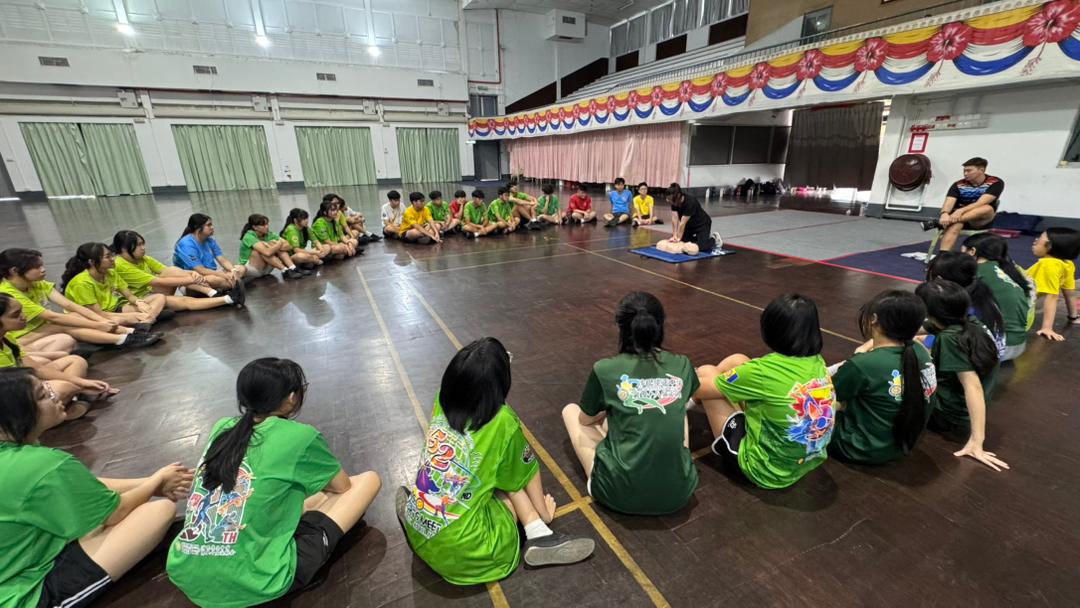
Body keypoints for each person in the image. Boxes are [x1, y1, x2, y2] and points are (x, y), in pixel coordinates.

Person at [167, 358, 380, 606]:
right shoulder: (300, 435)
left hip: (185, 570)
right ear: (292, 397)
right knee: (367, 481)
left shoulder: (222, 427)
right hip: (258, 582)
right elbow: (342, 486)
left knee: (290, 494)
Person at [398, 338, 594, 585]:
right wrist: (544, 513)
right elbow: (526, 473)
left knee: (489, 470)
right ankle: (538, 531)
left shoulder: (442, 401)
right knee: (507, 479)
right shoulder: (502, 421)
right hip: (473, 552)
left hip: (421, 530)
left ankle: (416, 514)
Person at [0, 367, 193, 608]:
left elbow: (81, 488)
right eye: (42, 395)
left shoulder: (21, 457)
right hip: (17, 594)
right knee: (158, 511)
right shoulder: (40, 465)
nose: (54, 394)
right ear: (14, 415)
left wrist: (151, 483)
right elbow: (114, 513)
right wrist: (156, 481)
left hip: (21, 560)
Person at [561, 292, 698, 514]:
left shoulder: (604, 369)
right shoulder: (682, 364)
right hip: (679, 493)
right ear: (660, 325)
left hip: (617, 494)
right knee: (677, 407)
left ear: (621, 327)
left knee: (571, 411)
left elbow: (585, 420)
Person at [693, 294, 836, 489]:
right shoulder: (818, 362)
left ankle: (686, 408)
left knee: (706, 372)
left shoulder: (762, 371)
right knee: (737, 360)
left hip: (764, 471)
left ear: (770, 329)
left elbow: (699, 388)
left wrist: (681, 375)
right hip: (805, 463)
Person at [828, 290, 937, 465]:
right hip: (903, 443)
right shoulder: (920, 352)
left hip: (860, 447)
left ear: (873, 319)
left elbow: (826, 397)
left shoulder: (863, 364)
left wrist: (857, 356)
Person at [915, 279, 1008, 471]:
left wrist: (977, 441)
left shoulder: (950, 338)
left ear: (927, 312)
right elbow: (909, 330)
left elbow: (973, 386)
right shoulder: (968, 321)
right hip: (958, 407)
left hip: (948, 415)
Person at [0, 248, 158, 349]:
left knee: (75, 316)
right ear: (14, 271)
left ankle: (130, 332)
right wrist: (98, 324)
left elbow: (70, 305)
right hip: (18, 337)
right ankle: (123, 339)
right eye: (36, 267)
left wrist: (100, 321)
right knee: (62, 325)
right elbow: (52, 316)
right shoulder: (8, 293)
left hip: (42, 328)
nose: (43, 270)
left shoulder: (37, 283)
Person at [1, 293, 116, 420]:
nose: (24, 316)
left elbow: (36, 368)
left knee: (75, 360)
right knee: (64, 387)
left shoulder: (7, 337)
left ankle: (61, 407)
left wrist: (82, 383)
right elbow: (12, 387)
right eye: (16, 315)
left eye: (22, 311)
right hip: (10, 396)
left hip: (20, 384)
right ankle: (53, 413)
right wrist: (79, 387)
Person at [112, 230, 244, 312]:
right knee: (184, 301)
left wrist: (191, 273)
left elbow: (166, 271)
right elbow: (158, 282)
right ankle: (229, 299)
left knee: (172, 270)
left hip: (154, 291)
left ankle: (213, 292)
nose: (143, 248)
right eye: (139, 245)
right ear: (124, 249)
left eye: (143, 244)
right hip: (141, 300)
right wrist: (192, 278)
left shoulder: (143, 258)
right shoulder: (121, 265)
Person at [61, 243, 168, 331]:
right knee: (118, 320)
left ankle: (147, 320)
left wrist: (139, 302)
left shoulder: (111, 273)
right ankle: (149, 317)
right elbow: (98, 314)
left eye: (112, 255)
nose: (113, 259)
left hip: (114, 309)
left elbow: (129, 296)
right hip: (94, 317)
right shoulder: (82, 283)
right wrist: (134, 315)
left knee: (159, 297)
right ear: (92, 262)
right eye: (108, 257)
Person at [961, 233, 1034, 360]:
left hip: (998, 348)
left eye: (962, 252)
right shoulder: (1008, 270)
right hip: (1018, 344)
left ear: (972, 251)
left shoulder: (978, 272)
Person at [927, 252, 1006, 359]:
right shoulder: (979, 291)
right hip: (992, 355)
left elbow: (932, 348)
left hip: (978, 361)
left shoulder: (959, 308)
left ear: (940, 279)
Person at [923, 157, 1004, 254]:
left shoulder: (995, 182)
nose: (965, 173)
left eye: (969, 170)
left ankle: (940, 223)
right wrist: (944, 214)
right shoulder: (958, 184)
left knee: (987, 208)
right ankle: (944, 256)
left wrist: (960, 211)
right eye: (964, 171)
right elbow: (949, 202)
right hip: (957, 218)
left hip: (980, 219)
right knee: (955, 224)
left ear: (981, 170)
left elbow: (981, 203)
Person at [1026, 227, 1080, 341]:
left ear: (1049, 246)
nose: (1035, 241)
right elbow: (1069, 293)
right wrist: (1073, 317)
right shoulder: (1067, 264)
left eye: (1039, 239)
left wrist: (1047, 328)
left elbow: (1052, 297)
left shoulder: (1049, 265)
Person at [173, 214, 247, 291]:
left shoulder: (209, 240)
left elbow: (222, 260)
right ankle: (233, 285)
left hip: (210, 274)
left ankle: (227, 286)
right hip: (191, 281)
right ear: (197, 228)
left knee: (241, 268)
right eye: (209, 225)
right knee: (213, 279)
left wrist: (233, 270)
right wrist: (223, 275)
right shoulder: (186, 244)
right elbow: (200, 270)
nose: (212, 227)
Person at [238, 214, 305, 280]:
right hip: (252, 269)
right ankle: (285, 270)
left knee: (275, 247)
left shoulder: (269, 234)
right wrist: (278, 244)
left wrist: (276, 245)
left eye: (267, 224)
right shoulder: (249, 236)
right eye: (263, 225)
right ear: (255, 227)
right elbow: (267, 253)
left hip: (266, 269)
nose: (267, 226)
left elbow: (289, 246)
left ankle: (293, 268)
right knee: (262, 250)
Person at [659, 183, 720, 255]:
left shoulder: (690, 202)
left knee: (700, 247)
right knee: (684, 243)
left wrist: (678, 238)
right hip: (689, 226)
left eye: (669, 199)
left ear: (678, 196)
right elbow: (674, 218)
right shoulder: (674, 202)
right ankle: (700, 238)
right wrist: (674, 235)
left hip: (702, 224)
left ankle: (714, 239)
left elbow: (682, 223)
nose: (667, 201)